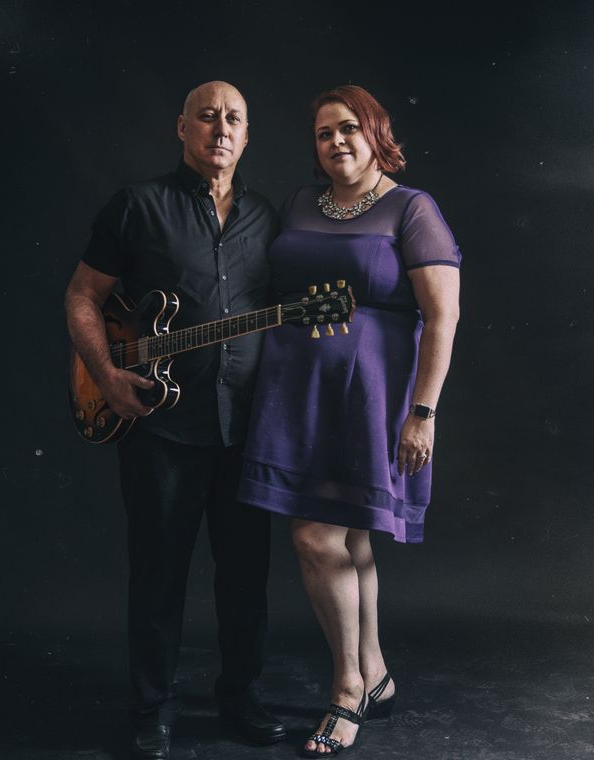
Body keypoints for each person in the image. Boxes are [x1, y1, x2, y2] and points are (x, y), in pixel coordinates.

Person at [65, 81, 286, 760]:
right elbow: (82, 295)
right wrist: (106, 376)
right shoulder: (138, 206)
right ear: (182, 128)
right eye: (207, 116)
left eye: (234, 118)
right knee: (159, 576)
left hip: (243, 428)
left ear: (246, 135)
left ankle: (239, 699)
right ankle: (152, 709)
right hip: (160, 429)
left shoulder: (266, 217)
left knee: (245, 579)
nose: (221, 128)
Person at [239, 85, 461, 756]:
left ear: (374, 133)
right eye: (323, 133)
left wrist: (423, 412)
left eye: (348, 128)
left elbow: (442, 316)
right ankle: (376, 675)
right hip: (298, 393)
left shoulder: (411, 208)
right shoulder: (300, 204)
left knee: (316, 537)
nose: (336, 141)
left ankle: (346, 690)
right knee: (350, 540)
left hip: (372, 396)